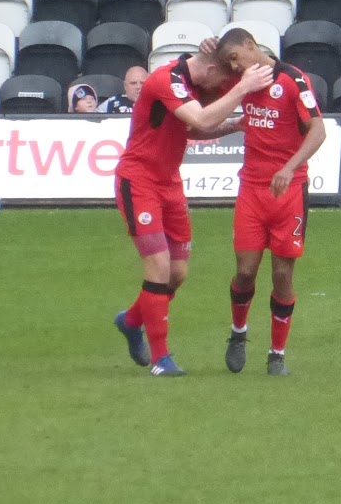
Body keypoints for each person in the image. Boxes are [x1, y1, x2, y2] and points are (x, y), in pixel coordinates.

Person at [111, 49, 274, 377]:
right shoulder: (165, 80)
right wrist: (242, 89)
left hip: (169, 183)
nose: (223, 87)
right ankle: (161, 359)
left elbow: (193, 131)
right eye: (222, 80)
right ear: (211, 68)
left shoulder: (192, 82)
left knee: (177, 274)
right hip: (138, 181)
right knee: (158, 267)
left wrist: (237, 124)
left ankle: (130, 321)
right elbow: (200, 119)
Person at [214, 27, 328, 377]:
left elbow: (318, 130)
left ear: (251, 45)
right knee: (246, 271)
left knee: (282, 275)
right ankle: (238, 332)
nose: (233, 67)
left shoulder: (292, 80)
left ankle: (277, 353)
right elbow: (199, 83)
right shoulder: (240, 83)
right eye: (228, 62)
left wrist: (290, 166)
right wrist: (206, 51)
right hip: (252, 189)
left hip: (289, 190)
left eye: (235, 57)